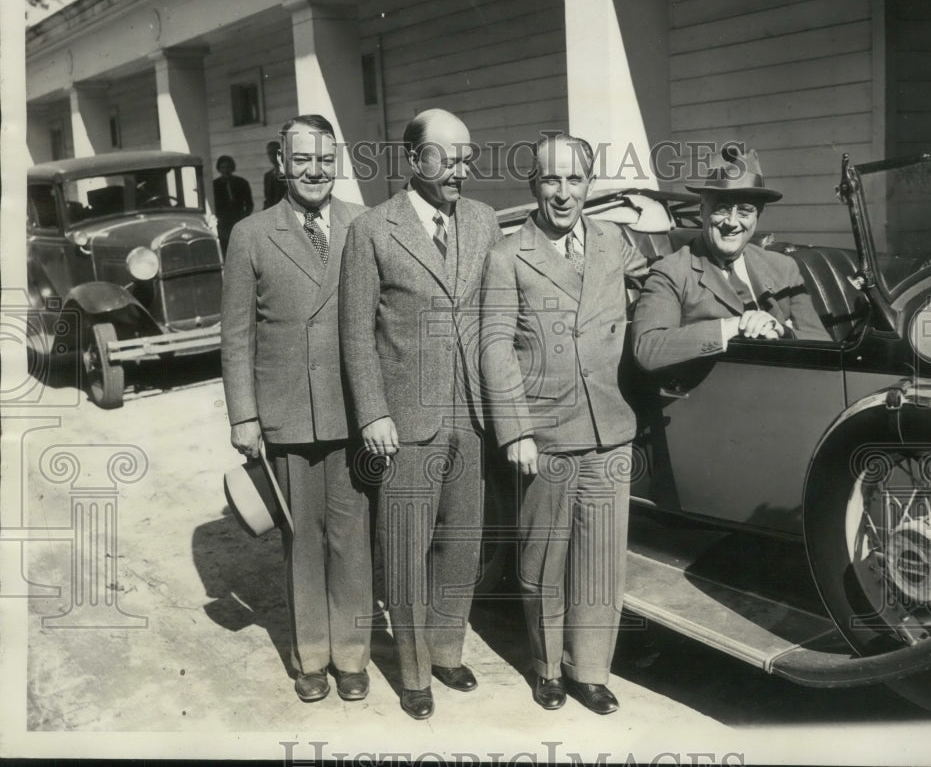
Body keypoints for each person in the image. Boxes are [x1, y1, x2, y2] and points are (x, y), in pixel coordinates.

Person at [339, 108, 503, 720]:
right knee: (407, 549)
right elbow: (355, 333)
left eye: (467, 157)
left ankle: (446, 651)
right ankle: (412, 674)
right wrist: (373, 414)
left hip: (471, 414)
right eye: (446, 157)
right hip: (405, 421)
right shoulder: (372, 229)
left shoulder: (484, 220)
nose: (461, 169)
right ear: (413, 159)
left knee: (461, 543)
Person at [479, 134, 649, 715]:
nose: (563, 192)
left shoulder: (613, 240)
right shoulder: (508, 255)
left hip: (608, 427)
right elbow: (495, 345)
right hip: (545, 432)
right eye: (551, 179)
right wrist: (515, 430)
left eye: (574, 179)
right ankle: (548, 668)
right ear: (534, 184)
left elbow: (653, 289)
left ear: (589, 184)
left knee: (600, 561)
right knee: (545, 558)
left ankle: (590, 671)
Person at [221, 114, 371, 705]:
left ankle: (352, 656)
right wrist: (244, 415)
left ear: (338, 163)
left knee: (351, 539)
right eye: (302, 160)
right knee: (301, 540)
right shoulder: (251, 234)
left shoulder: (362, 223)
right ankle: (311, 657)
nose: (315, 171)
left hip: (353, 412)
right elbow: (236, 335)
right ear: (282, 165)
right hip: (287, 414)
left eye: (325, 160)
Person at [631, 145, 830, 372]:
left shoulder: (784, 267)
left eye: (744, 211)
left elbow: (824, 344)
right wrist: (731, 327)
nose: (732, 223)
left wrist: (784, 331)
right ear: (702, 210)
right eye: (722, 209)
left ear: (757, 216)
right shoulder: (672, 272)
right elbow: (647, 349)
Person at [213, 155, 254, 255]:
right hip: (222, 224)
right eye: (223, 167)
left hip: (238, 221)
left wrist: (244, 217)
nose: (226, 170)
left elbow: (249, 204)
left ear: (232, 168)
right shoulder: (214, 185)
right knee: (225, 250)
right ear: (219, 169)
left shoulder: (242, 183)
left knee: (240, 248)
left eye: (228, 167)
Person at [263, 140, 285, 209]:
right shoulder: (268, 176)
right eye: (270, 153)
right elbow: (268, 200)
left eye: (275, 153)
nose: (272, 156)